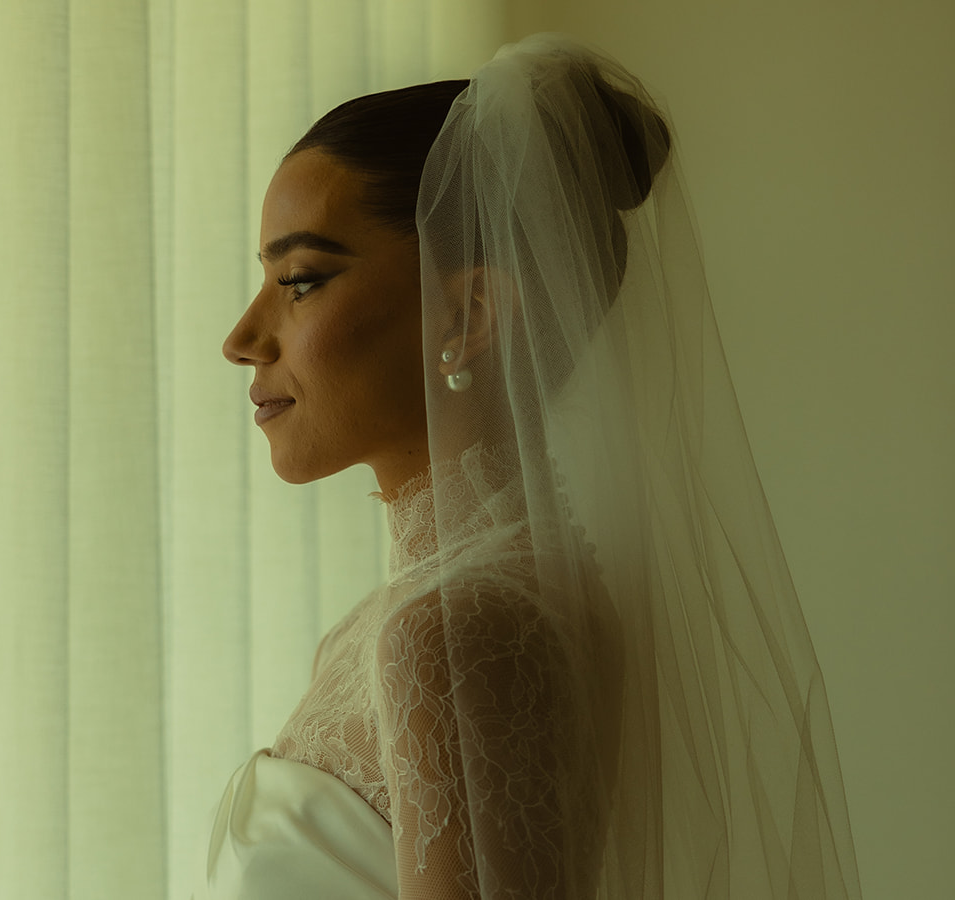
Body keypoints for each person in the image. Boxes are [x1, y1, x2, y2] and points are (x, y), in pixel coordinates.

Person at [199, 33, 862, 900]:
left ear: (470, 314)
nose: (242, 339)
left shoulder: (446, 631)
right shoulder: (436, 612)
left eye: (300, 279)